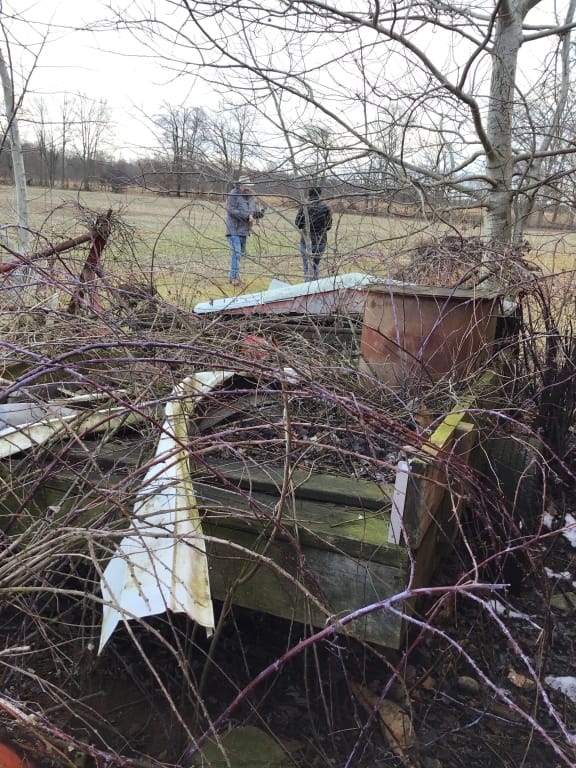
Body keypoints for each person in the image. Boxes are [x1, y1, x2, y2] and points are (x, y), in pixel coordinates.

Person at [226, 176, 265, 286]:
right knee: (237, 253)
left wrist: (260, 213)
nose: (248, 188)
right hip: (233, 229)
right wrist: (247, 216)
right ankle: (234, 278)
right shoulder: (233, 194)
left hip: (244, 230)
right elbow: (231, 210)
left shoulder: (251, 197)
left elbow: (254, 212)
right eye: (246, 186)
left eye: (249, 186)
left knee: (240, 254)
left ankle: (235, 276)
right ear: (240, 185)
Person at [295, 187, 332, 281]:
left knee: (307, 268)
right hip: (321, 241)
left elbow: (298, 223)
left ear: (309, 194)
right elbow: (328, 226)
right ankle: (315, 287)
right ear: (320, 195)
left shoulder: (304, 207)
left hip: (306, 241)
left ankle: (307, 287)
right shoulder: (326, 208)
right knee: (315, 267)